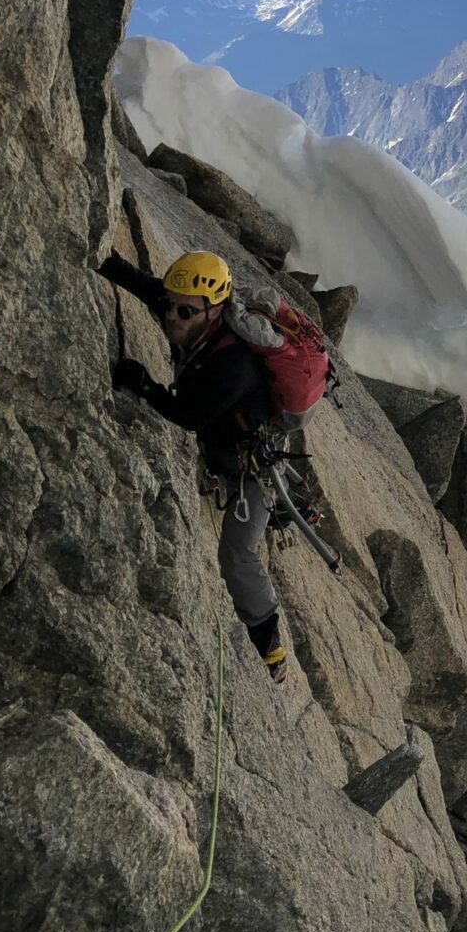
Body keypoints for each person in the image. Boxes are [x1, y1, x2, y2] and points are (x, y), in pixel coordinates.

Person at [97, 248, 290, 684]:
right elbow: (145, 286)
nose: (171, 316)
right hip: (226, 446)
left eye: (184, 310)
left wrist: (143, 384)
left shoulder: (233, 364)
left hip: (250, 468)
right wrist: (98, 253)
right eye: (171, 305)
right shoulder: (191, 314)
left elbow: (189, 415)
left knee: (237, 553)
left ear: (213, 310)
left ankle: (268, 642)